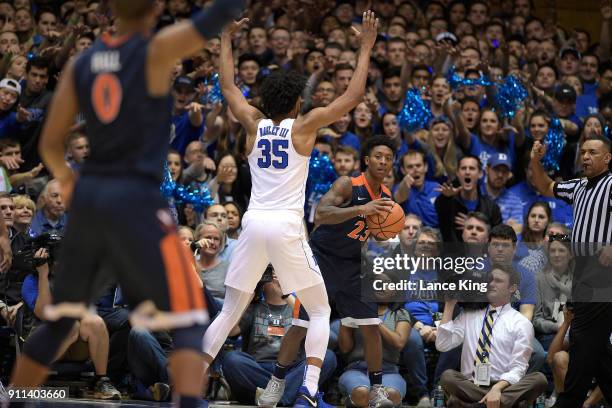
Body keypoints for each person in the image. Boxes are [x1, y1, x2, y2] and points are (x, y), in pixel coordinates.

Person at [9, 3, 245, 408]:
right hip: (136, 198)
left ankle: (15, 400)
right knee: (190, 316)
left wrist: (69, 181)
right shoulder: (156, 48)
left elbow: (50, 143)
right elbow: (218, 14)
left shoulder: (84, 63)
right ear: (156, 8)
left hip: (94, 199)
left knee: (61, 317)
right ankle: (189, 402)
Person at [201, 11, 380, 408]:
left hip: (251, 223)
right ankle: (309, 389)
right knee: (319, 308)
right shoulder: (305, 126)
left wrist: (227, 38)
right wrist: (365, 46)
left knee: (231, 309)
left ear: (266, 100)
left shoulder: (253, 123)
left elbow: (228, 86)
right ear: (299, 101)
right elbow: (352, 97)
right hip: (284, 224)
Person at [257, 136, 397, 408]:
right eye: (378, 156)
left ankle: (377, 389)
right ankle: (277, 380)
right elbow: (321, 213)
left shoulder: (388, 196)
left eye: (389, 158)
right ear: (367, 160)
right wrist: (360, 209)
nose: (383, 161)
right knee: (301, 325)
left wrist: (384, 234)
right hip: (322, 260)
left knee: (371, 327)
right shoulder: (348, 184)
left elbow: (370, 234)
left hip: (354, 265)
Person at [530, 136, 612, 406]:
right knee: (594, 343)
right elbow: (544, 186)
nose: (585, 157)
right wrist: (535, 160)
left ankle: (569, 401)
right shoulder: (577, 186)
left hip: (603, 272)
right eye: (584, 152)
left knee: (583, 340)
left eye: (593, 153)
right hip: (584, 270)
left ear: (607, 158)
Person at [437, 265, 548, 407]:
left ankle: (471, 405)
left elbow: (518, 367)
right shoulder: (469, 314)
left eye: (498, 281)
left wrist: (496, 389)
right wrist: (449, 305)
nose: (491, 284)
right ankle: (500, 404)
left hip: (504, 385)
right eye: (489, 280)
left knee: (539, 380)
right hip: (471, 384)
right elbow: (442, 344)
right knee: (448, 377)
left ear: (512, 288)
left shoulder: (521, 323)